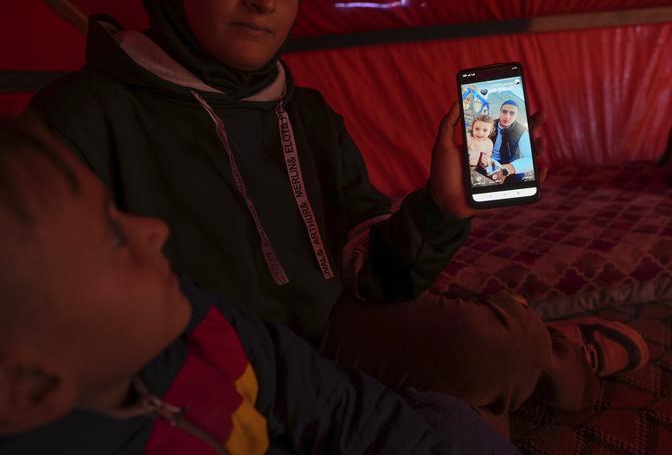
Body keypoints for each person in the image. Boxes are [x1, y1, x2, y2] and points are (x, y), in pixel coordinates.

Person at [28, 0, 648, 439]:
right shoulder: (83, 117)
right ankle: (545, 356)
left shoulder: (309, 115)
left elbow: (368, 273)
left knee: (492, 349)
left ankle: (540, 352)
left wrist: (439, 208)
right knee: (465, 419)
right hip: (219, 358)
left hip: (338, 329)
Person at [0, 119, 518, 454]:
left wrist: (440, 210)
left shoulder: (195, 322)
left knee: (455, 406)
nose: (153, 228)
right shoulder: (90, 113)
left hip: (321, 340)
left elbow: (318, 384)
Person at [489, 100, 533, 183]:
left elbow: (530, 158)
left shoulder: (521, 131)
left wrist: (510, 168)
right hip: (490, 161)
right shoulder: (490, 125)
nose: (507, 117)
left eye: (512, 113)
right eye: (504, 112)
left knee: (518, 180)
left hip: (511, 163)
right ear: (500, 112)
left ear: (516, 116)